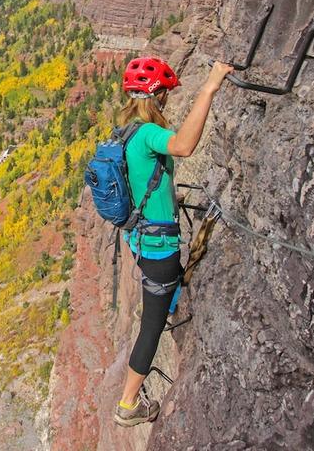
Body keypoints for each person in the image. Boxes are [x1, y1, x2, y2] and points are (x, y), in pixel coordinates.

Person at [113, 56, 233, 427]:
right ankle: (128, 404)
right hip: (158, 247)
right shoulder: (148, 133)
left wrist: (168, 201)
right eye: (165, 93)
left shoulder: (126, 132)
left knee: (158, 301)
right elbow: (182, 146)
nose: (167, 99)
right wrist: (210, 86)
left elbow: (140, 181)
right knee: (151, 325)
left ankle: (161, 300)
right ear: (157, 95)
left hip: (140, 237)